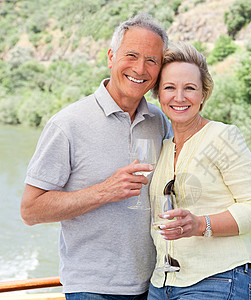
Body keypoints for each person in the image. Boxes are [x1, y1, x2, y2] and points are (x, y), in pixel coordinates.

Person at [20, 13, 172, 300]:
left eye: (152, 60)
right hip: (91, 289)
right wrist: (104, 191)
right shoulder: (67, 124)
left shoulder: (159, 121)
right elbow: (30, 211)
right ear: (111, 57)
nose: (140, 68)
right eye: (131, 55)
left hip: (154, 286)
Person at [147, 42, 251, 299]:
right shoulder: (161, 147)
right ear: (158, 94)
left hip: (218, 278)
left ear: (203, 94)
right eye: (170, 87)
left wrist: (200, 224)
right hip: (160, 285)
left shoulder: (223, 136)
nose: (179, 97)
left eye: (190, 88)